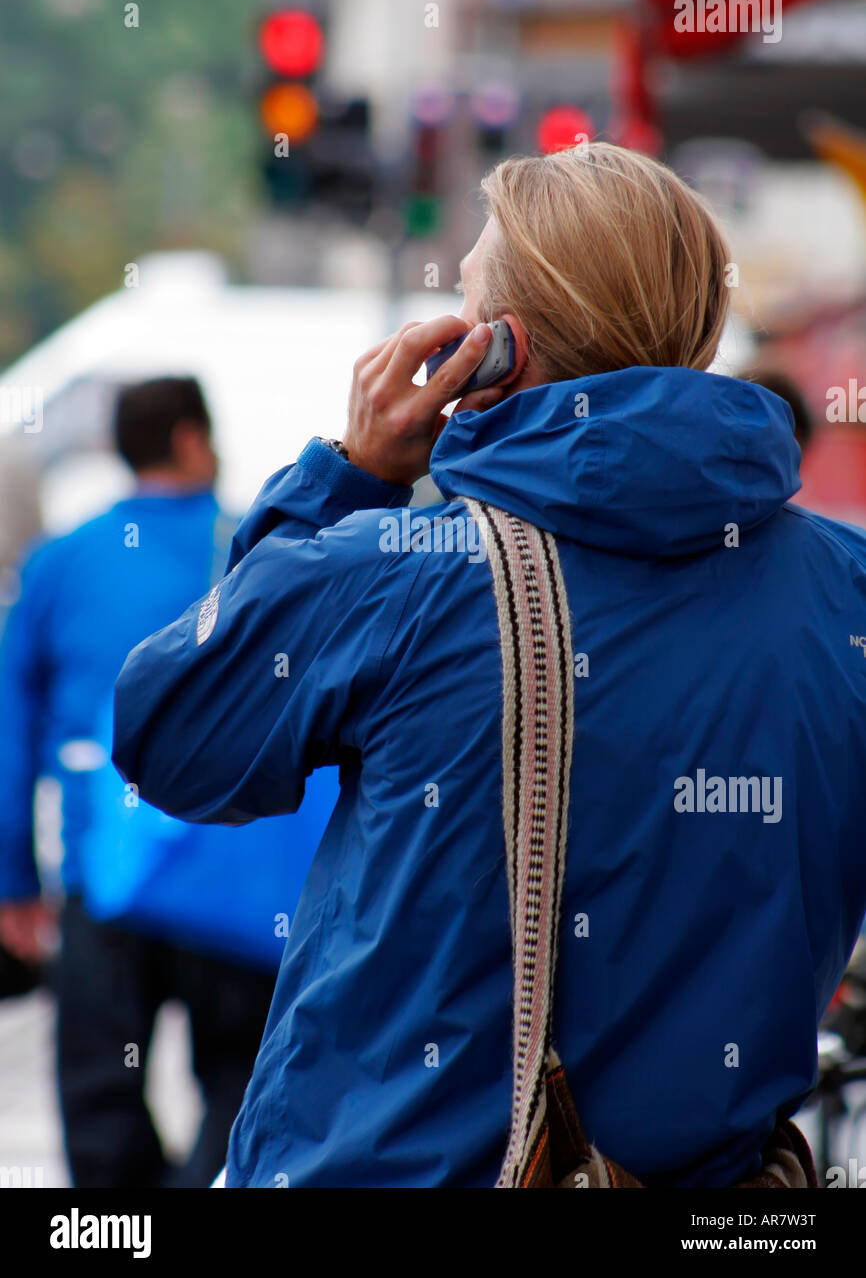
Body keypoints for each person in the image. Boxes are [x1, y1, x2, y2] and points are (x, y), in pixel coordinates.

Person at [113, 143, 866, 1187]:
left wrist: (346, 474)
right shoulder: (845, 589)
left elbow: (173, 739)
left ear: (494, 353)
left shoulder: (402, 577)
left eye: (461, 301)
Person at [0, 378, 278, 1187]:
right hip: (234, 870)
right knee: (239, 1079)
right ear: (192, 438)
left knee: (100, 1091)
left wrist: (15, 882)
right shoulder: (260, 545)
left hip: (103, 875)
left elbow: (11, 739)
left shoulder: (58, 563)